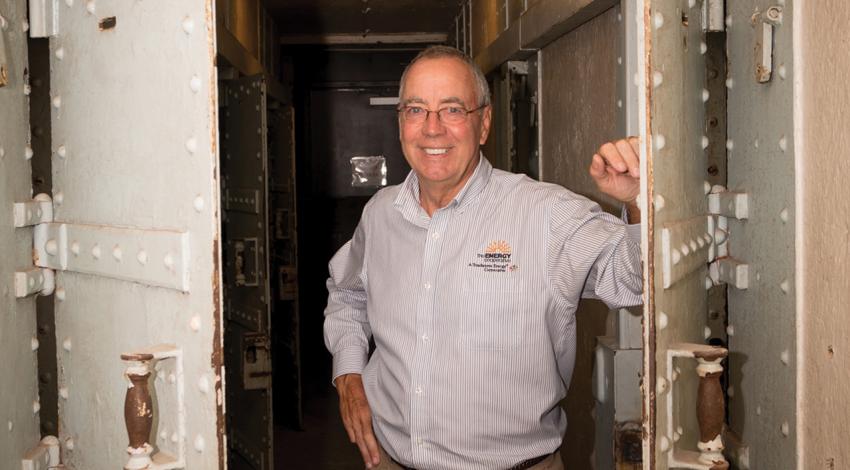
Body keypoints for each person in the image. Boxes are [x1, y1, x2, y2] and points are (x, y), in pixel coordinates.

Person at [324, 45, 642, 470]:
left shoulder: (545, 214)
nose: (432, 129)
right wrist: (348, 374)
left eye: (452, 109)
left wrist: (640, 203)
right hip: (388, 460)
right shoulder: (381, 213)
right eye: (416, 109)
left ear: (484, 123)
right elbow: (347, 294)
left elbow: (632, 278)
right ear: (400, 122)